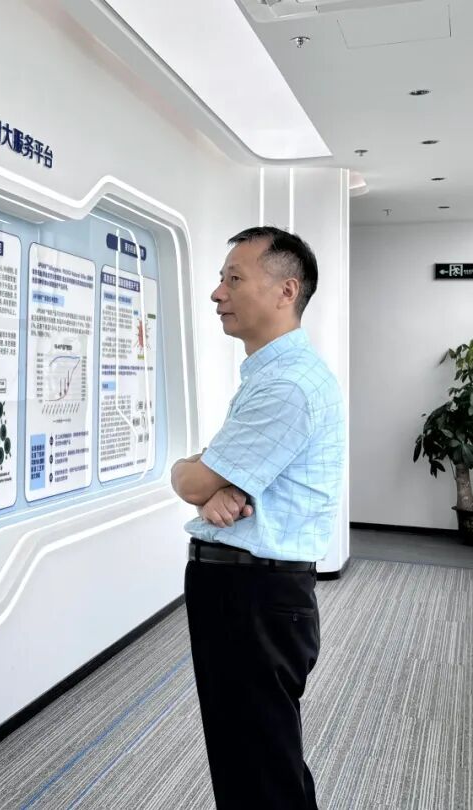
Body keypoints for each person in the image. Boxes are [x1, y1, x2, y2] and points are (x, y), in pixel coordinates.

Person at [170, 227, 344, 810]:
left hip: (251, 595)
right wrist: (204, 483)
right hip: (252, 590)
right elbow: (204, 480)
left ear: (286, 291)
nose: (217, 293)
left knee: (258, 770)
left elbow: (193, 479)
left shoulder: (288, 385)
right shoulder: (274, 375)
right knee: (259, 759)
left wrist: (197, 479)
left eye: (234, 278)